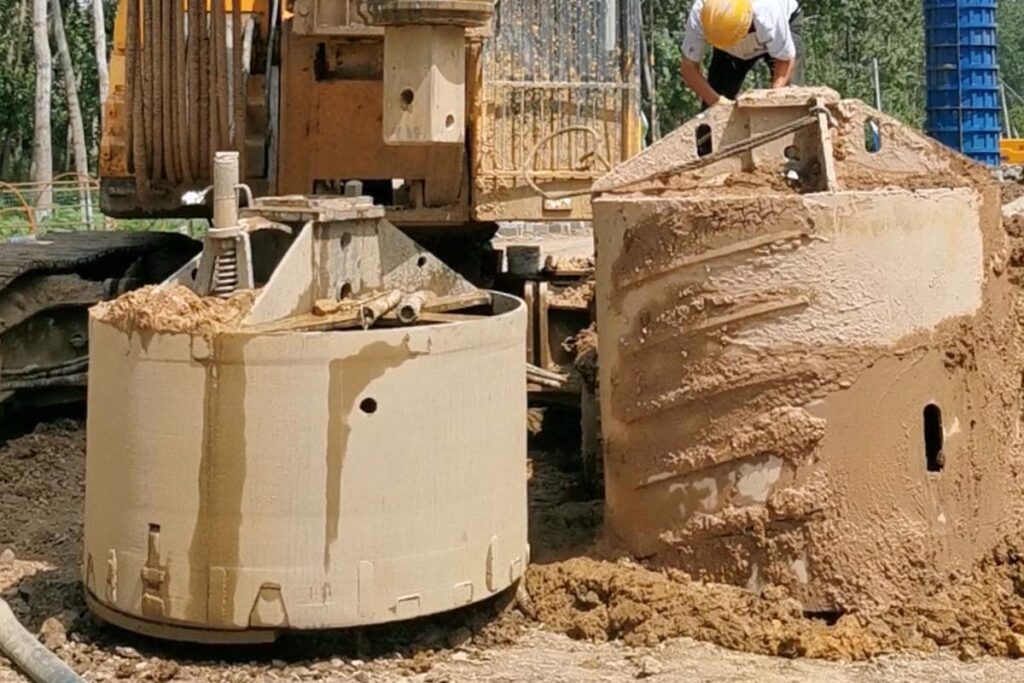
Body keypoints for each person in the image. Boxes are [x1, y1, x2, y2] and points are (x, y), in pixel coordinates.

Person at [680, 0, 802, 108]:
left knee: (788, 99)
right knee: (713, 111)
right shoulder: (700, 13)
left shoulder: (768, 11)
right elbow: (688, 68)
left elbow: (786, 59)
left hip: (779, 31)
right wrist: (717, 102)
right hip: (728, 51)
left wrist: (773, 99)